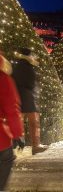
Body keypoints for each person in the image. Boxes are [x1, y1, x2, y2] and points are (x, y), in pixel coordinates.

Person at [11, 47, 48, 155]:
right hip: (28, 98)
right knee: (34, 123)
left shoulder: (16, 66)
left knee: (19, 122)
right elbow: (31, 83)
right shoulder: (28, 67)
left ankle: (16, 145)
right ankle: (35, 146)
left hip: (18, 97)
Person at [0, 53, 24, 191]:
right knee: (6, 159)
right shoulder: (3, 79)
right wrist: (17, 134)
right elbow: (12, 110)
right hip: (0, 139)